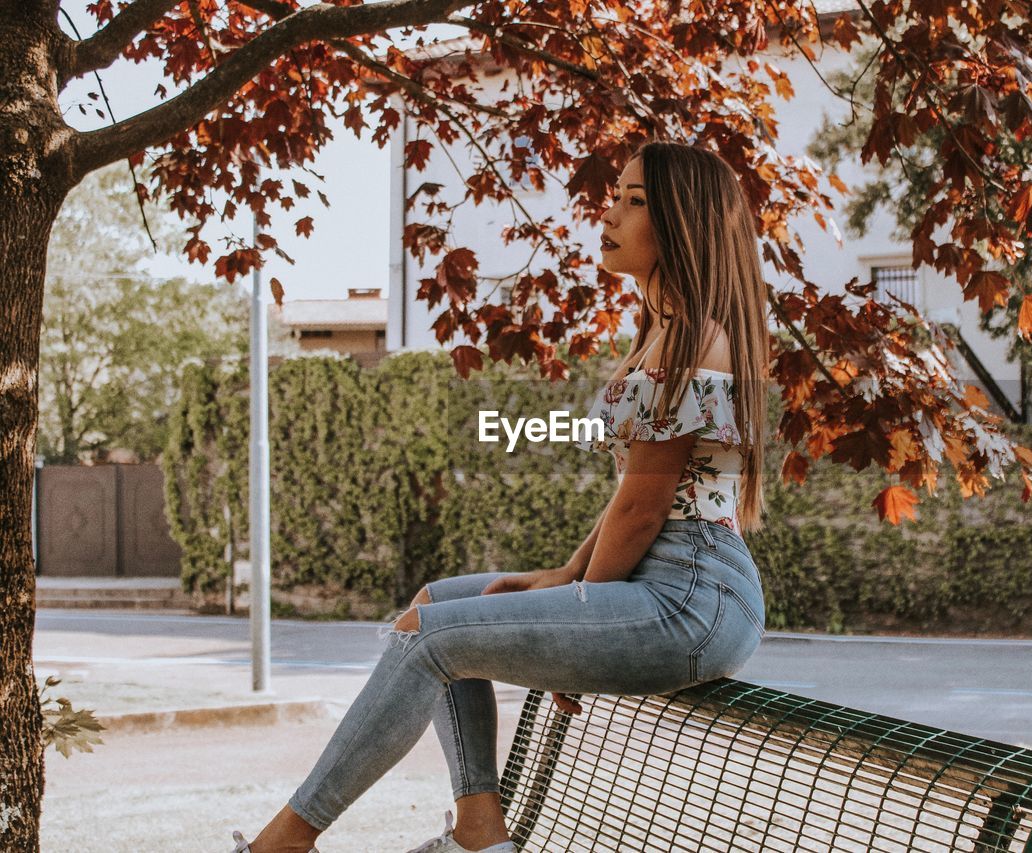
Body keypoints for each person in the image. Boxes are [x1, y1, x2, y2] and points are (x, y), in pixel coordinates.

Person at [232, 140, 770, 853]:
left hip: (693, 596)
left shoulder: (692, 339)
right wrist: (566, 581)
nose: (610, 212)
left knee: (432, 641)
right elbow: (634, 498)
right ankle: (480, 836)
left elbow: (646, 512)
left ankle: (284, 843)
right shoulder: (663, 337)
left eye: (636, 201)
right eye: (617, 195)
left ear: (683, 221)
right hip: (673, 585)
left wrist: (577, 618)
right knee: (435, 608)